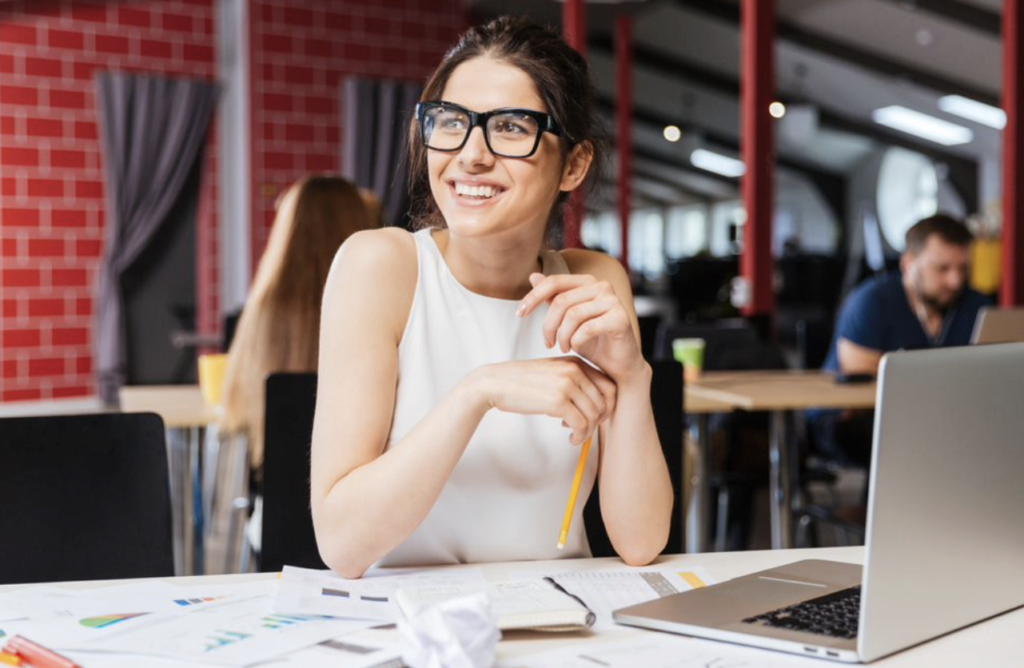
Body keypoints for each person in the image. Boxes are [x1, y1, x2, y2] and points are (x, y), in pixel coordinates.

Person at [310, 16, 673, 578]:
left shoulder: (593, 283)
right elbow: (342, 545)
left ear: (573, 164)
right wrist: (479, 390)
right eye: (451, 122)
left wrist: (632, 377)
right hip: (409, 630)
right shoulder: (380, 266)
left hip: (560, 622)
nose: (471, 155)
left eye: (509, 127)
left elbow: (641, 542)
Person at [221, 175, 376, 475]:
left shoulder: (261, 312)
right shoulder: (380, 308)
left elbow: (235, 414)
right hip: (361, 502)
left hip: (272, 508)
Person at [812, 213, 989, 465]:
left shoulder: (976, 305)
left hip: (940, 414)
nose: (955, 280)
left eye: (963, 269)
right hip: (847, 419)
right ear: (908, 264)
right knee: (914, 436)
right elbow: (864, 393)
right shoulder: (871, 302)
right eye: (942, 269)